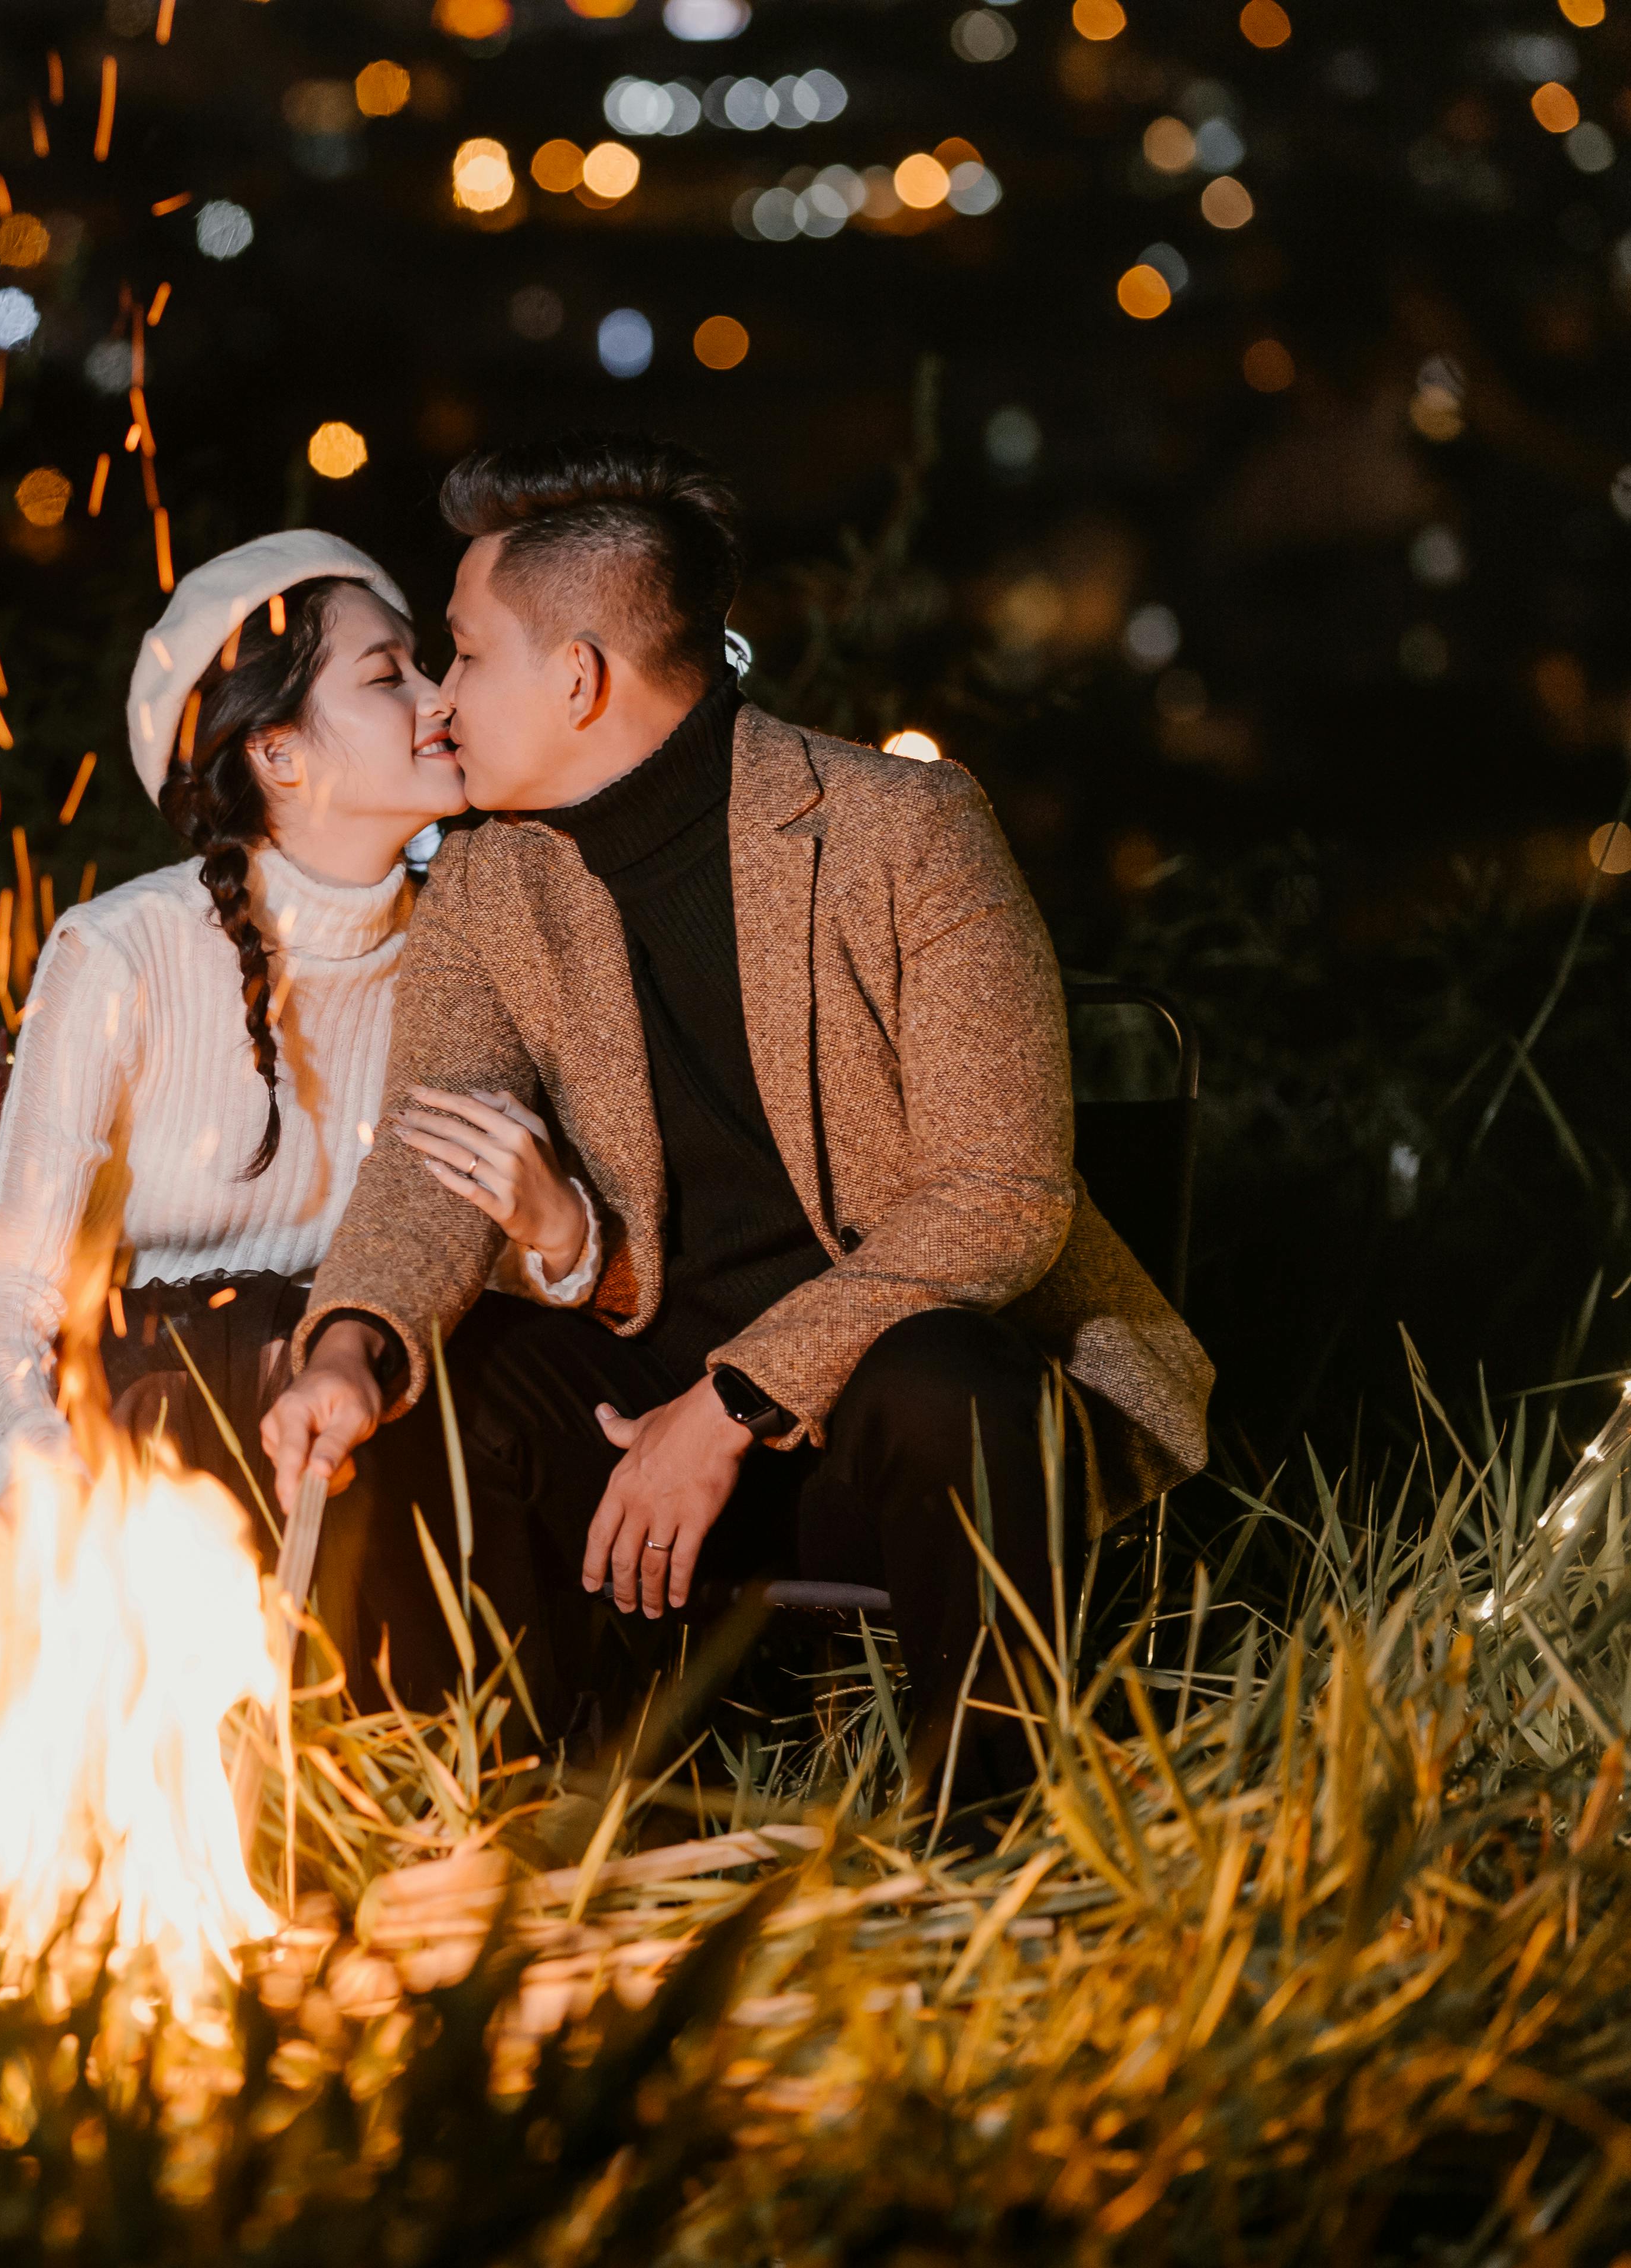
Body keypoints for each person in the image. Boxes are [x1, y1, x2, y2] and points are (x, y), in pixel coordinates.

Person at [257, 434, 1214, 1819]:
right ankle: (528, 1821)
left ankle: (994, 1843)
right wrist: (352, 1346)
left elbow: (1002, 1199)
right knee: (439, 1397)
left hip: (876, 1420)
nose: (443, 700)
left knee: (954, 1381)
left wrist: (733, 1404)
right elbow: (431, 1163)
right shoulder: (488, 879)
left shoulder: (902, 829)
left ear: (578, 679)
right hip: (635, 1396)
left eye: (465, 656)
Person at [0, 529, 523, 1705]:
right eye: (389, 675)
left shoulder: (470, 942)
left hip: (381, 1374)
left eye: (428, 666)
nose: (438, 697)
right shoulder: (124, 950)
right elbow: (9, 1291)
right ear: (278, 751)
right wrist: (28, 1446)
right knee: (240, 1351)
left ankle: (472, 1785)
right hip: (154, 1398)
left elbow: (496, 1244)